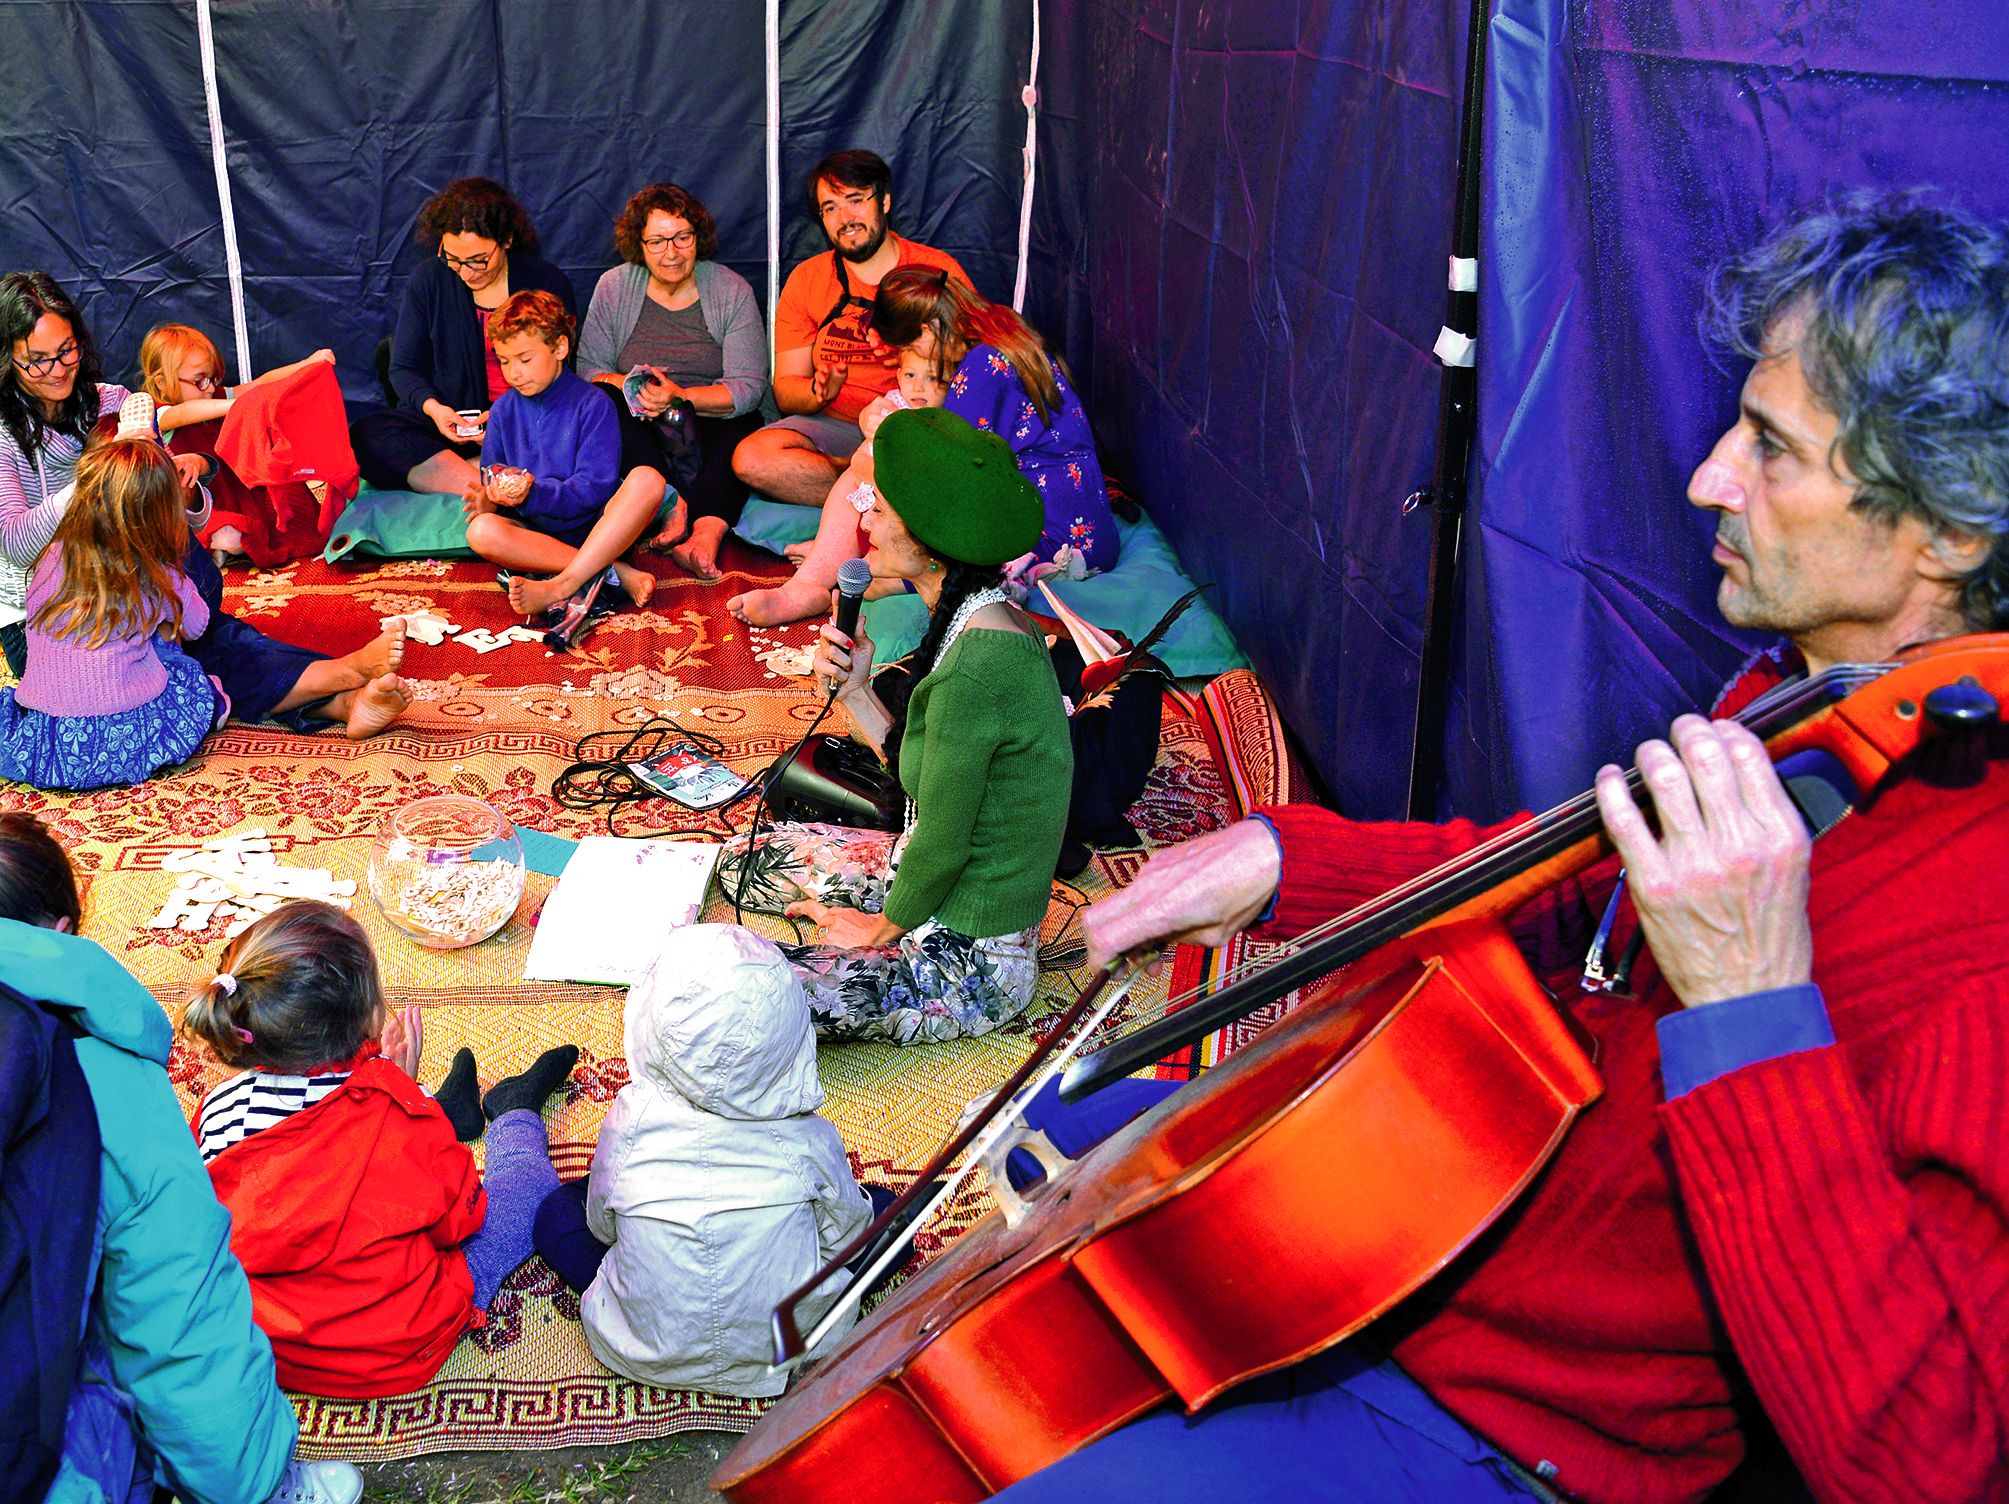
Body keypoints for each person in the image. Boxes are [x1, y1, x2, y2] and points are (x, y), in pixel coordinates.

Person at [989, 195, 2009, 1504]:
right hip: (1439, 1234)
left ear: (1951, 533)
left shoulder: (1980, 921)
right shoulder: (1813, 702)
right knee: (1065, 1132)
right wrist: (1277, 861)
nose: (1707, 477)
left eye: (1772, 449)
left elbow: (1928, 1466)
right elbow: (1570, 880)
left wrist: (1752, 1006)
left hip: (1512, 1430)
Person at [0, 815, 363, 1504]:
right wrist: (255, 1483)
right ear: (62, 933)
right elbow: (180, 1319)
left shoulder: (220, 1118)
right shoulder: (98, 1080)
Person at [718, 408, 1073, 1043]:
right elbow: (922, 775)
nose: (864, 522)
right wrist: (855, 689)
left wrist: (881, 928)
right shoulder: (972, 616)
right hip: (926, 876)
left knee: (745, 1001)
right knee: (748, 862)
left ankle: (887, 945)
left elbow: (942, 835)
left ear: (929, 540)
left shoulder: (980, 665)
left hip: (970, 953)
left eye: (878, 509)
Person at [182, 900, 580, 1398]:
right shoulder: (394, 1114)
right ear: (371, 1011)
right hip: (400, 1343)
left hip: (283, 1350)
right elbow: (462, 1216)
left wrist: (398, 1096)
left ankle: (451, 1114)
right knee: (529, 1193)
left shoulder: (217, 1108)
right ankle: (514, 1109)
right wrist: (406, 1098)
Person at [0, 273, 406, 738]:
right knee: (173, 663)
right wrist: (101, 478)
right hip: (55, 621)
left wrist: (187, 494)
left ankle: (343, 696)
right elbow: (13, 543)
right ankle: (341, 688)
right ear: (6, 360)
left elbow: (167, 508)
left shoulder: (108, 403)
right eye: (37, 361)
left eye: (67, 351)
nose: (56, 369)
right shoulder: (4, 433)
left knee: (201, 621)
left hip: (135, 589)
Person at [528, 924, 877, 1396]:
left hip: (646, 1346)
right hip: (780, 1348)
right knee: (884, 1210)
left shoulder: (628, 1124)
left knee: (556, 1214)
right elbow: (848, 1236)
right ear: (791, 1032)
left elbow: (602, 1225)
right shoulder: (806, 1138)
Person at [730, 266, 1119, 626]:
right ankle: (843, 564)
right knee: (869, 469)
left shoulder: (982, 367)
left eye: (902, 348)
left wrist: (872, 450)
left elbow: (946, 477)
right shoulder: (1001, 329)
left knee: (864, 473)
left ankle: (819, 583)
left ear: (928, 330)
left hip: (1047, 532)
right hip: (1066, 517)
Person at [731, 150, 970, 507]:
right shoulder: (807, 280)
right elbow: (785, 391)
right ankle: (873, 487)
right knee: (751, 459)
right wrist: (819, 391)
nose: (845, 218)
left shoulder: (937, 271)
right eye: (830, 208)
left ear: (885, 200)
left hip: (919, 425)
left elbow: (977, 368)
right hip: (839, 431)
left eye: (855, 200)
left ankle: (871, 493)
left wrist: (918, 354)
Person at [572, 181, 770, 587]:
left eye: (682, 237)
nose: (672, 252)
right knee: (599, 400)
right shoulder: (614, 287)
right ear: (639, 245)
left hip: (707, 418)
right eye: (658, 241)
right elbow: (589, 368)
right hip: (641, 420)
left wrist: (679, 396)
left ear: (698, 237)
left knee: (742, 425)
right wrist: (635, 389)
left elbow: (748, 387)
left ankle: (705, 534)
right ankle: (670, 502)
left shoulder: (730, 290)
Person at [0, 436, 223, 789]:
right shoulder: (156, 571)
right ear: (162, 511)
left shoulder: (51, 554)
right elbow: (198, 625)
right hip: (124, 738)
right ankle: (215, 704)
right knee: (179, 660)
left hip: (52, 738)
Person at [349, 177, 575, 495]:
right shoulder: (429, 279)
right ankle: (493, 484)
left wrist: (508, 415)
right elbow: (403, 369)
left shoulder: (545, 281)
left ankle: (478, 474)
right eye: (453, 259)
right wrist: (435, 410)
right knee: (368, 435)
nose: (467, 272)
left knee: (592, 418)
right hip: (455, 429)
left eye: (479, 260)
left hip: (528, 421)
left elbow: (565, 376)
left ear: (507, 240)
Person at [460, 290, 656, 610]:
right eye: (504, 361)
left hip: (598, 530)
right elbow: (493, 469)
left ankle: (561, 584)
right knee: (481, 531)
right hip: (537, 540)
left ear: (560, 348)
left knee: (648, 480)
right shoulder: (502, 410)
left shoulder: (594, 403)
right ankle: (610, 572)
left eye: (525, 359)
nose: (513, 373)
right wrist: (492, 497)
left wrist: (532, 494)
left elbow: (594, 488)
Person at [136, 323, 341, 566]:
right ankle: (213, 543)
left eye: (212, 379)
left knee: (293, 513)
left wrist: (304, 365)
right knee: (229, 534)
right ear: (161, 382)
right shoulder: (159, 415)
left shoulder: (214, 394)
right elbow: (187, 412)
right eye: (200, 380)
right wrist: (240, 406)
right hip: (201, 505)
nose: (210, 388)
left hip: (236, 493)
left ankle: (229, 544)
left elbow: (260, 384)